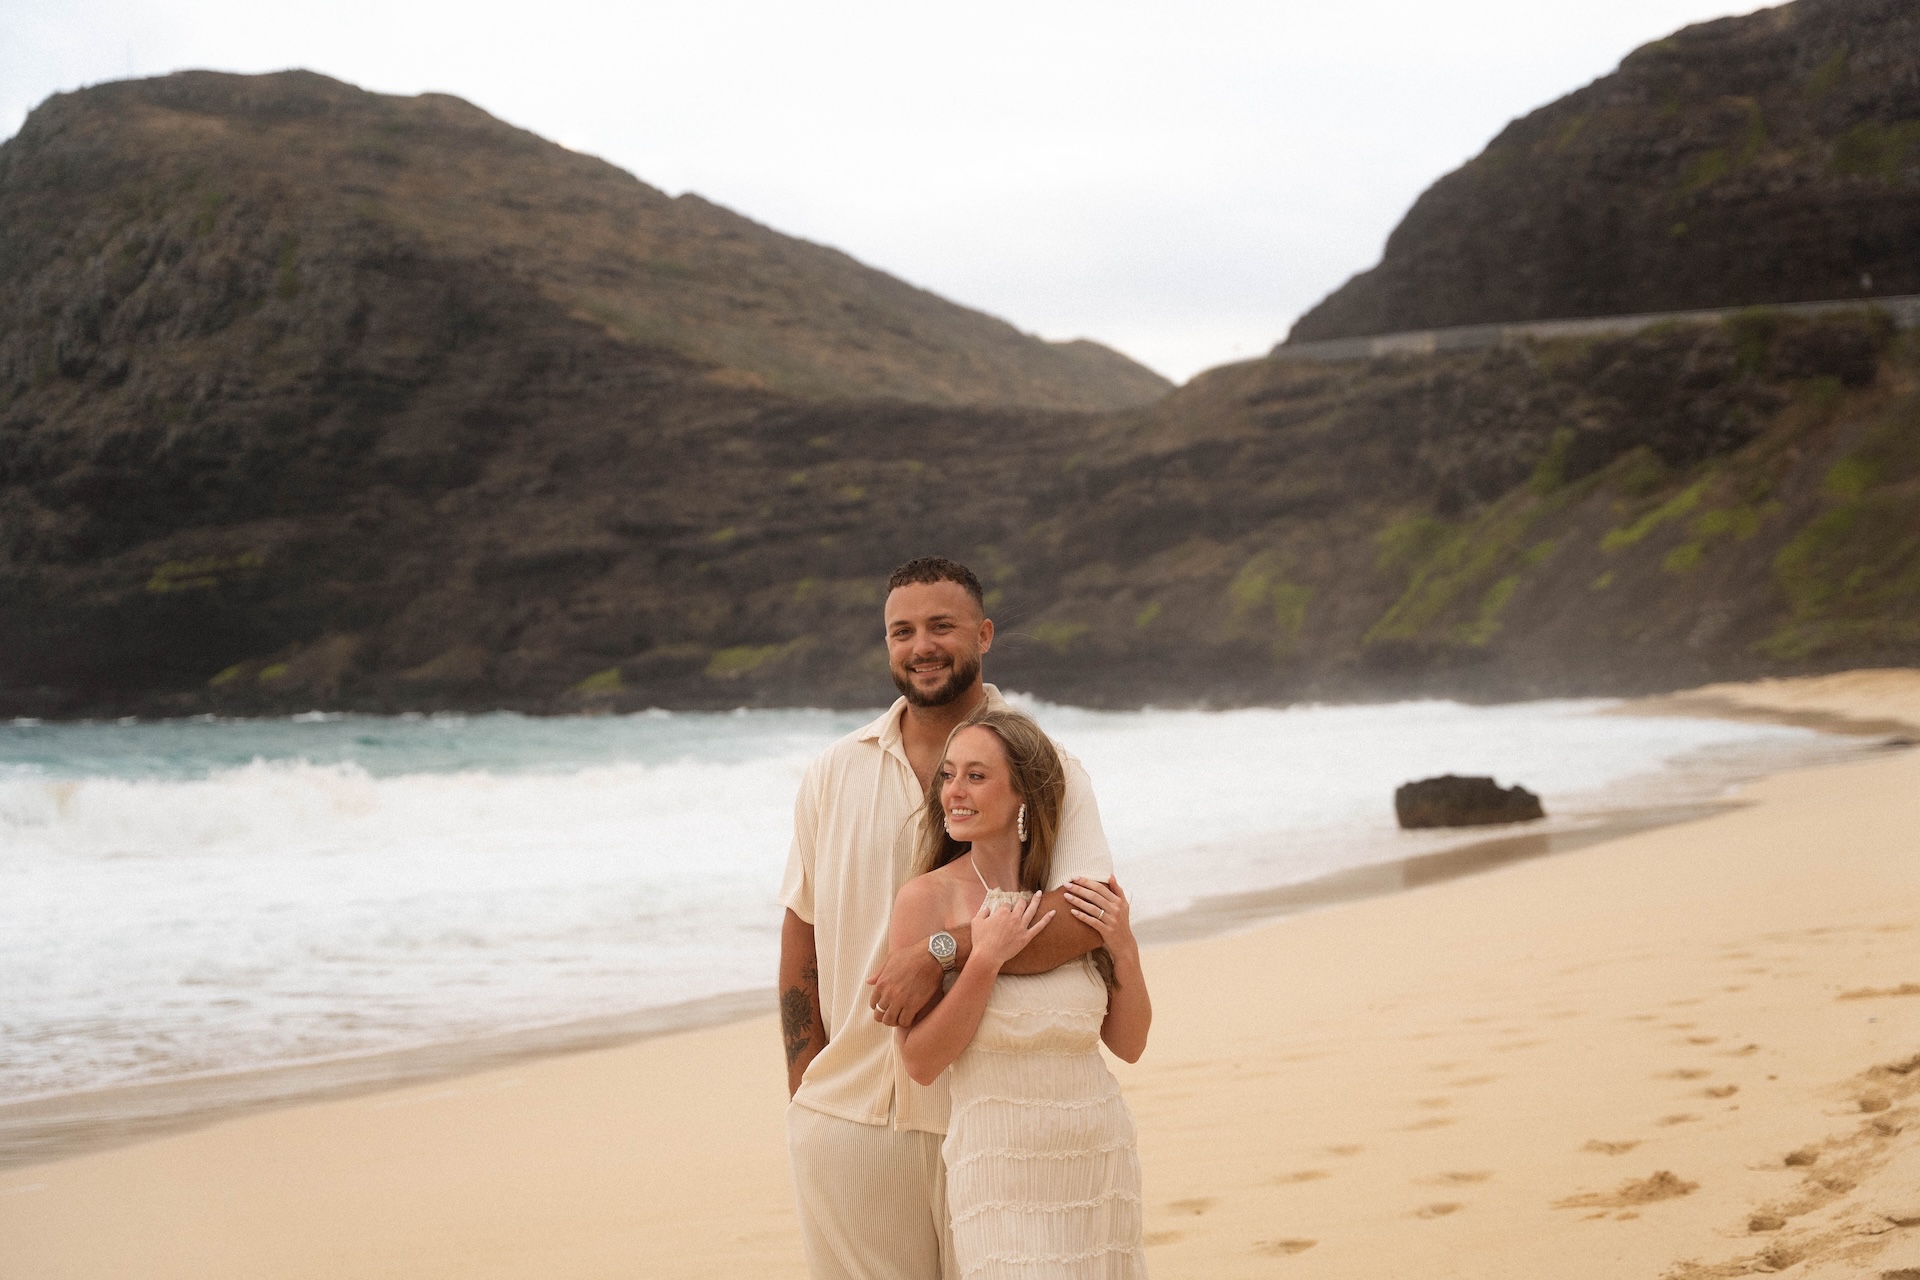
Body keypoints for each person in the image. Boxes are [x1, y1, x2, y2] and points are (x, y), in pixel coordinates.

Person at [779, 556, 1115, 1280]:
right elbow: (801, 929)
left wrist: (942, 949)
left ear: (985, 634)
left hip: (992, 1115)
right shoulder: (833, 773)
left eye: (942, 626)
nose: (921, 646)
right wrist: (806, 1085)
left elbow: (1086, 916)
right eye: (902, 631)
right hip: (852, 1120)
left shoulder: (1048, 768)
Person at [892, 709, 1150, 1280]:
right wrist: (984, 959)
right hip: (999, 1168)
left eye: (976, 777)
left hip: (1097, 1158)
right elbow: (920, 1061)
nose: (954, 792)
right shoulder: (925, 901)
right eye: (949, 776)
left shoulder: (1073, 900)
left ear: (1023, 794)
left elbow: (1128, 1044)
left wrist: (1125, 949)